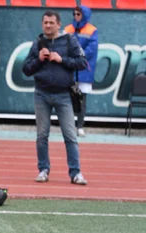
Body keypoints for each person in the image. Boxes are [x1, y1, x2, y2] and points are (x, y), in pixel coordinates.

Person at [22, 10, 89, 185]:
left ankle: (75, 173)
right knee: (42, 135)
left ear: (59, 24)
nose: (48, 25)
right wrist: (38, 59)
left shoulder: (69, 40)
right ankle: (43, 170)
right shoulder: (37, 43)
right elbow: (26, 69)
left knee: (70, 135)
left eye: (51, 23)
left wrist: (62, 60)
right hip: (41, 94)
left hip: (64, 94)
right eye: (45, 22)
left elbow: (83, 63)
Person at [64, 6, 98, 138]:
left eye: (78, 14)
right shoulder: (68, 29)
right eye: (74, 13)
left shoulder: (92, 30)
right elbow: (63, 45)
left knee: (82, 99)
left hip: (84, 70)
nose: (76, 16)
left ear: (84, 15)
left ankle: (80, 126)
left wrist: (77, 56)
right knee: (68, 99)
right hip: (69, 69)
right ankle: (69, 126)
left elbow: (91, 49)